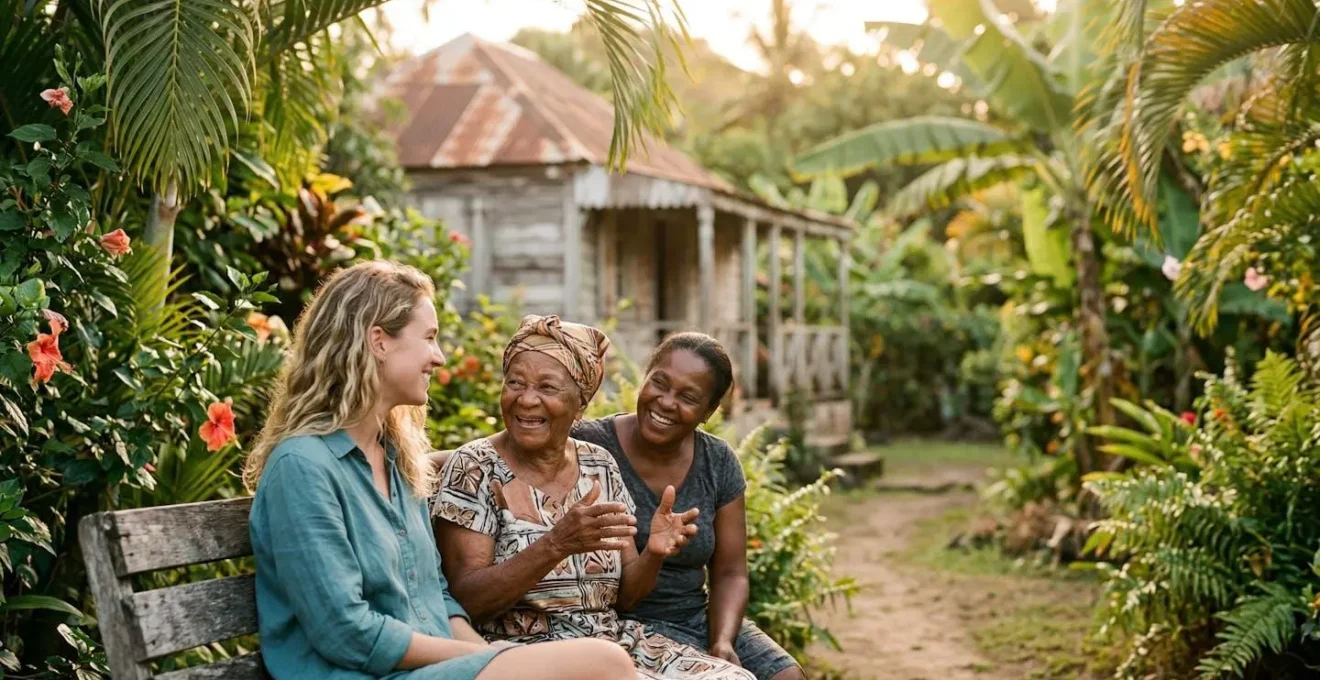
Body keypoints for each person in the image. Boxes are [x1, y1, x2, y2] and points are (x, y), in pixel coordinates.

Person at [245, 262, 635, 680]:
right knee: (603, 663)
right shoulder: (303, 467)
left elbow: (437, 599)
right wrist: (487, 661)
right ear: (379, 341)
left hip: (430, 670)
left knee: (601, 662)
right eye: (429, 337)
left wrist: (487, 655)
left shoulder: (394, 460)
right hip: (361, 674)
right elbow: (346, 633)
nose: (439, 356)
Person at [432, 315, 754, 680]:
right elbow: (467, 602)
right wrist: (555, 544)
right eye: (515, 383)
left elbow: (626, 598)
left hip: (616, 644)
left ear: (580, 406)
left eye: (547, 388)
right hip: (527, 655)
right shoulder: (474, 467)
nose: (526, 399)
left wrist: (654, 553)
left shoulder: (598, 463)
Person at [572, 333, 803, 680]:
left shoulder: (717, 462)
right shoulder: (589, 446)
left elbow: (731, 572)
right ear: (645, 378)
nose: (666, 402)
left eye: (688, 397)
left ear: (708, 412)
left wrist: (723, 641)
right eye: (659, 383)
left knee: (787, 676)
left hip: (696, 615)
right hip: (616, 622)